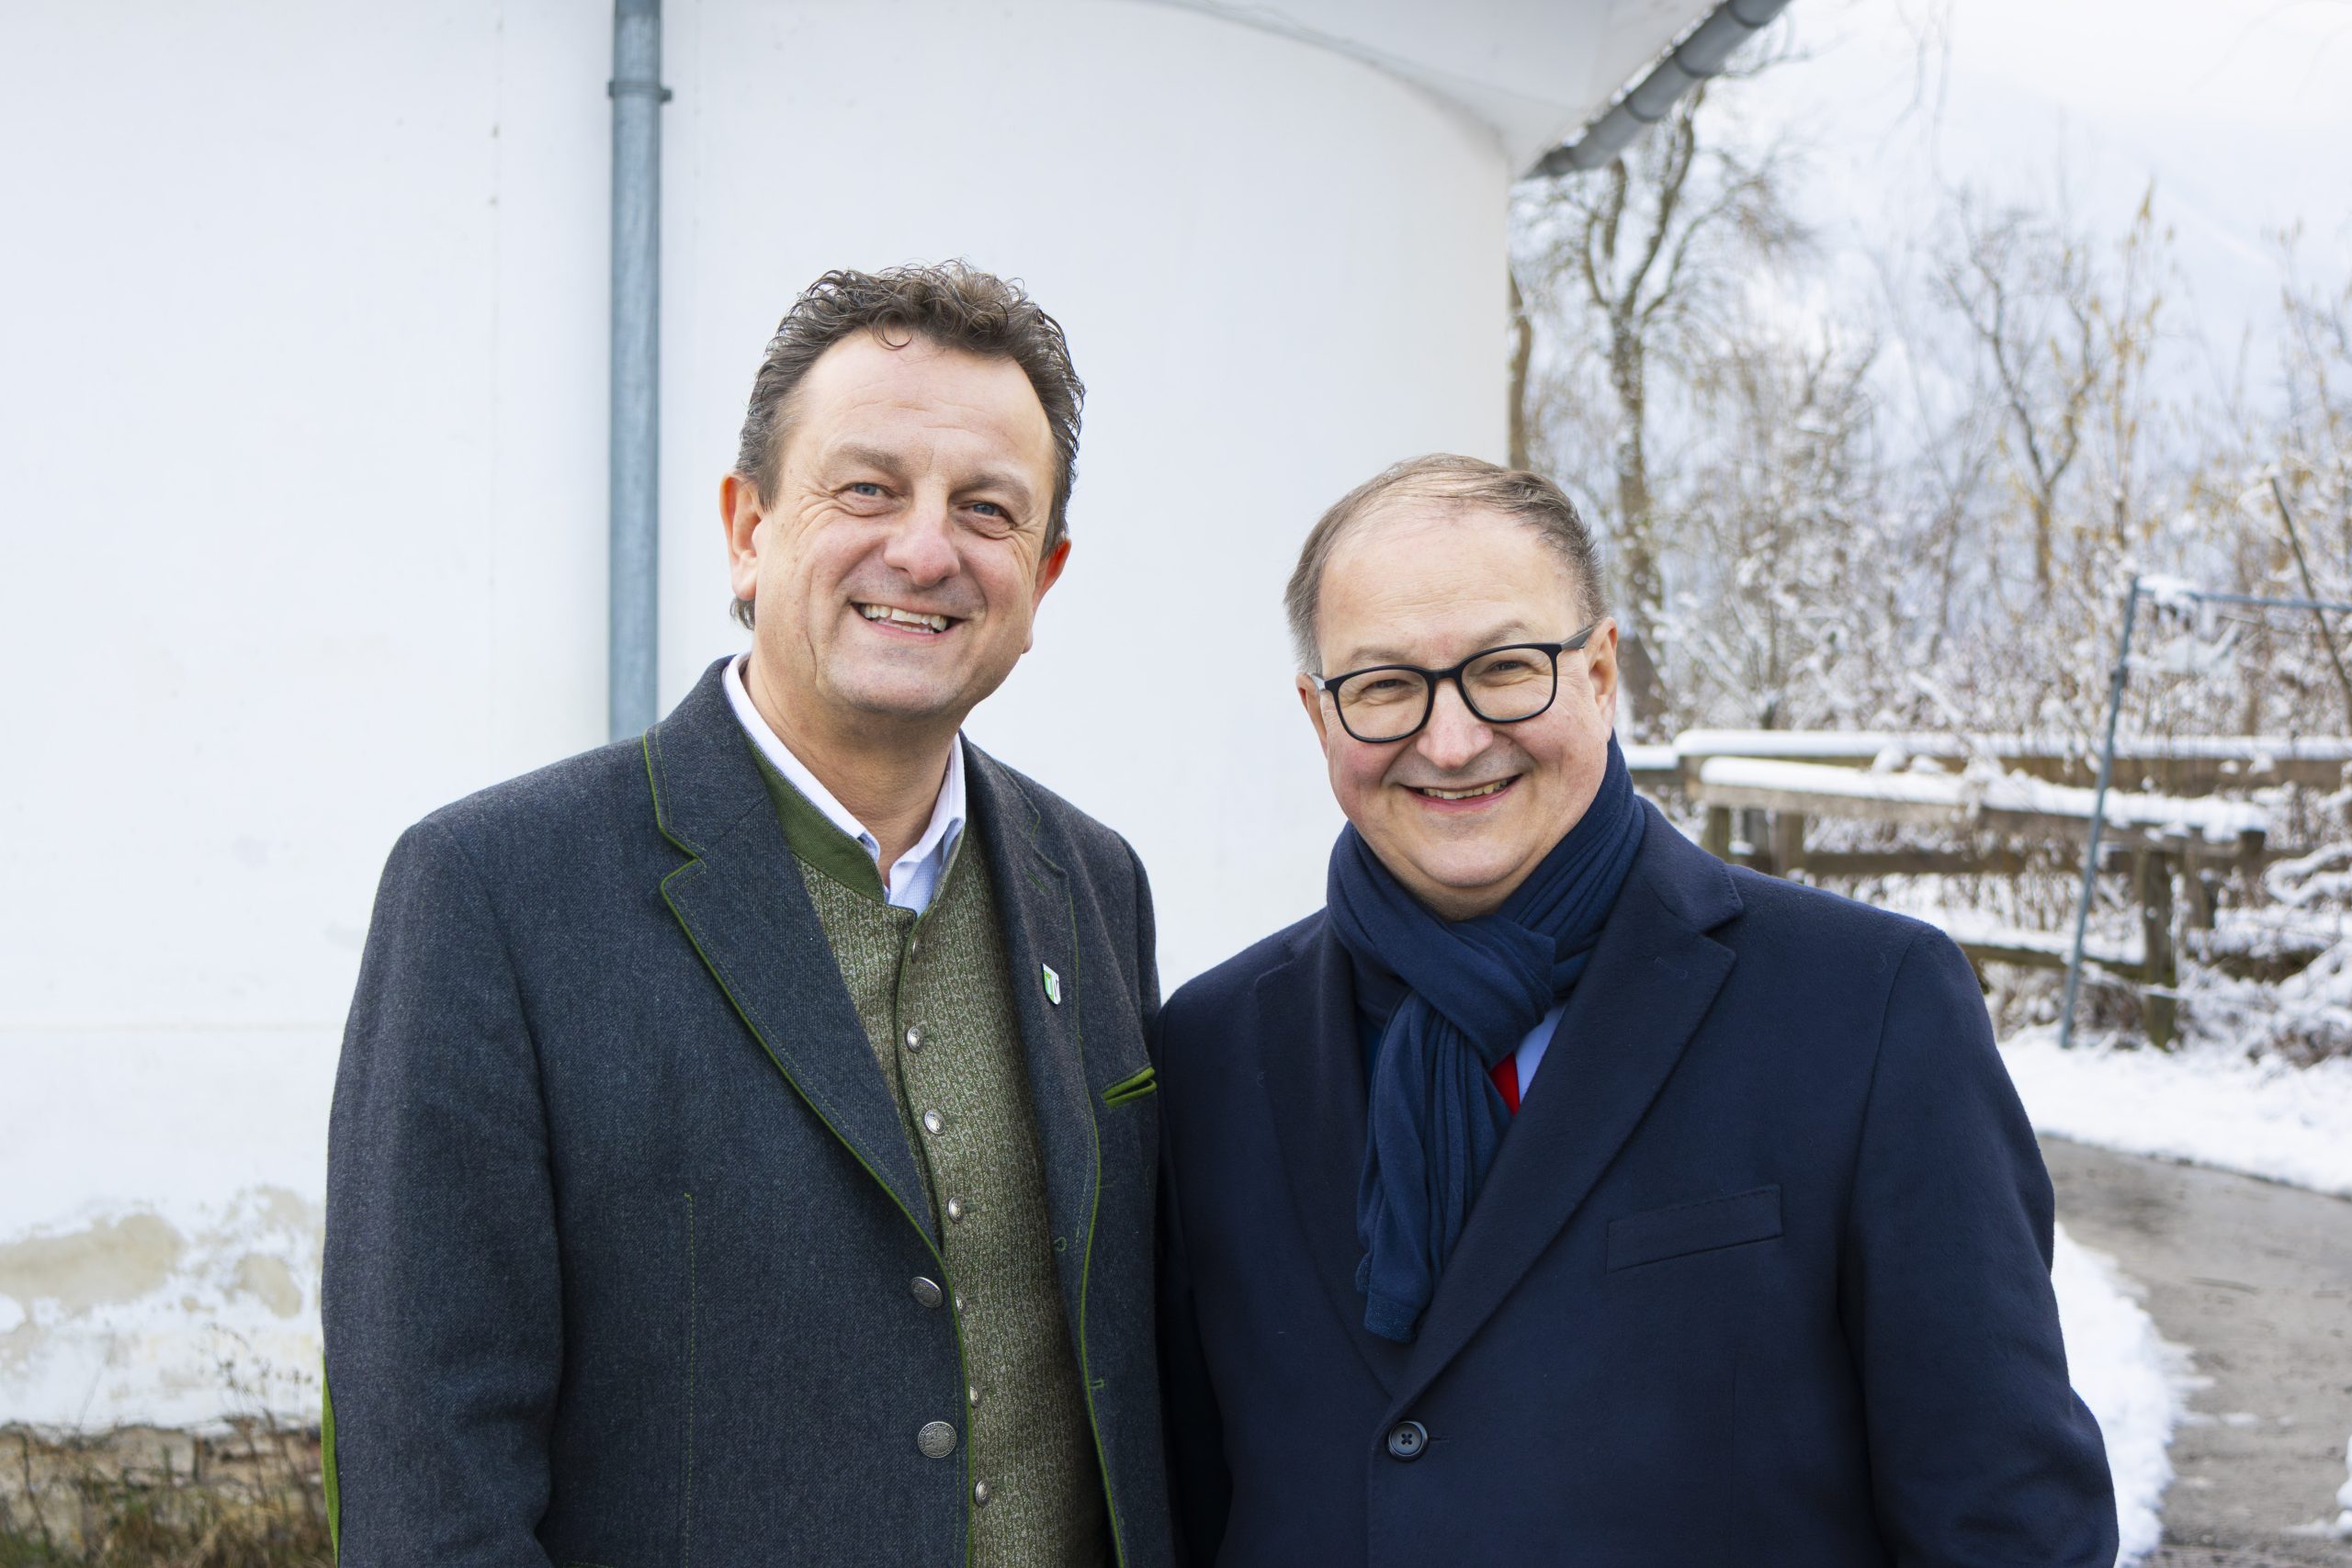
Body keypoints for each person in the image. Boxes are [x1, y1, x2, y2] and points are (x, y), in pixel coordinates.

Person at [325, 264, 1172, 1568]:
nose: (925, 550)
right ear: (748, 528)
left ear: (1043, 576)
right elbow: (428, 1470)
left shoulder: (1096, 885)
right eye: (867, 488)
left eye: (987, 509)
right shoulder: (491, 890)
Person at [1155, 454, 2116, 1565]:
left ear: (1601, 672)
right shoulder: (1212, 1050)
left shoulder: (1868, 1007)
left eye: (1505, 669)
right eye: (1383, 687)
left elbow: (2005, 1522)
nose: (1450, 740)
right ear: (1318, 715)